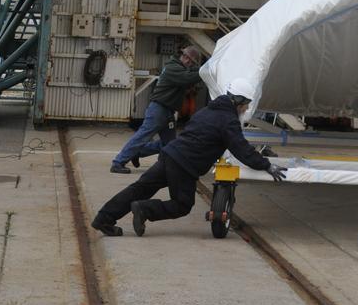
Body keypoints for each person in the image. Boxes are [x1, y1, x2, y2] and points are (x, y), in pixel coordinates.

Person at [91, 81, 287, 237]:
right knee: (182, 205)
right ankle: (144, 209)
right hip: (185, 165)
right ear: (237, 100)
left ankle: (104, 219)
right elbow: (241, 149)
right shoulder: (228, 120)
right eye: (245, 105)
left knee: (139, 188)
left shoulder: (206, 111)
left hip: (169, 155)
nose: (245, 109)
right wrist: (267, 165)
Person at [110, 45, 204, 173]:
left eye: (191, 61)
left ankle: (138, 153)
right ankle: (118, 162)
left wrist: (202, 70)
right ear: (182, 55)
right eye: (186, 58)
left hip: (168, 111)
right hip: (159, 109)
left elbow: (190, 76)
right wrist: (205, 71)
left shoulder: (179, 68)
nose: (187, 61)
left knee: (170, 144)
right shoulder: (173, 68)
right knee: (143, 136)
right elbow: (187, 78)